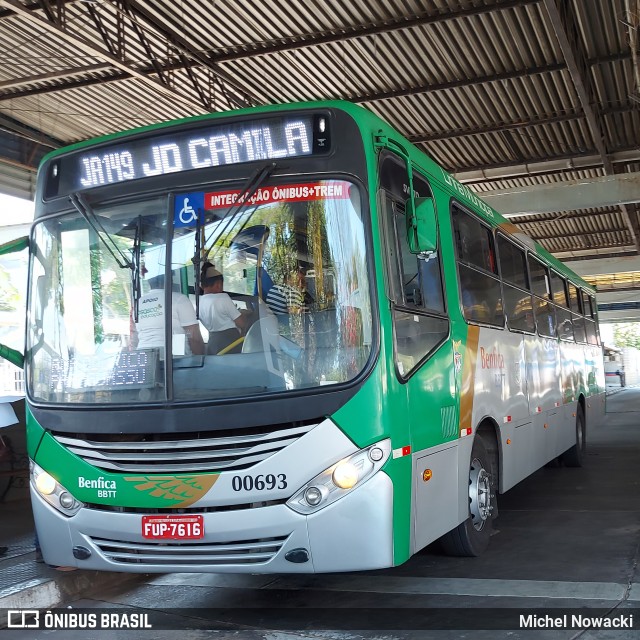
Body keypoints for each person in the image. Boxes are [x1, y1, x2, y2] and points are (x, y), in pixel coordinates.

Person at [131, 274, 204, 355]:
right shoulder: (179, 299)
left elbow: (134, 338)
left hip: (143, 355)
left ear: (149, 281)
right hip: (174, 354)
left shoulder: (138, 304)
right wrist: (201, 360)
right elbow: (194, 336)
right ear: (170, 280)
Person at [199, 266, 250, 354]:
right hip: (230, 343)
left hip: (212, 345)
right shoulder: (223, 298)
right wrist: (243, 314)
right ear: (218, 284)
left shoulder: (199, 302)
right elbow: (242, 323)